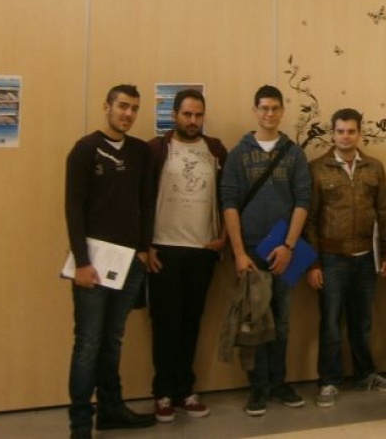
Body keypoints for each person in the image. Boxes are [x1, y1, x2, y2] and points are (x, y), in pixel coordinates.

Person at [64, 84, 157, 439]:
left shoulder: (140, 152)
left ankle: (112, 408)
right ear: (107, 107)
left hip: (130, 261)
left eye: (134, 108)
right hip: (92, 265)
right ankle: (80, 423)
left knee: (113, 338)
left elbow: (146, 201)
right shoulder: (85, 150)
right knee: (88, 341)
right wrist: (82, 263)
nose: (128, 114)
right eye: (122, 106)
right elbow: (73, 209)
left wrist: (145, 248)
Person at [219, 85, 313, 417]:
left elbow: (303, 200)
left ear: (282, 111)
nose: (269, 114)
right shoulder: (238, 153)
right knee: (255, 322)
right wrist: (240, 253)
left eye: (275, 108)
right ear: (255, 111)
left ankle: (279, 383)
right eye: (263, 108)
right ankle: (257, 388)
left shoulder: (294, 153)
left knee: (283, 321)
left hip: (285, 252)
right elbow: (228, 203)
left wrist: (288, 246)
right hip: (251, 254)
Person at [305, 109, 386, 407]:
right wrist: (313, 263)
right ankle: (329, 380)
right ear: (332, 133)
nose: (346, 136)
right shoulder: (317, 168)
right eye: (340, 131)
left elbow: (385, 212)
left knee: (363, 321)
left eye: (351, 131)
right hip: (331, 260)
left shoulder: (375, 167)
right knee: (331, 323)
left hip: (366, 258)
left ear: (360, 133)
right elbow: (309, 219)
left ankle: (365, 373)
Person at [146, 88, 228, 422]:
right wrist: (145, 244)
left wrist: (222, 236)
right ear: (175, 115)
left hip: (202, 251)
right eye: (187, 114)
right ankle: (163, 392)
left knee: (191, 323)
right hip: (163, 249)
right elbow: (141, 197)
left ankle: (185, 390)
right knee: (165, 324)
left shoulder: (215, 150)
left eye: (198, 115)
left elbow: (229, 196)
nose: (193, 121)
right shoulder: (156, 149)